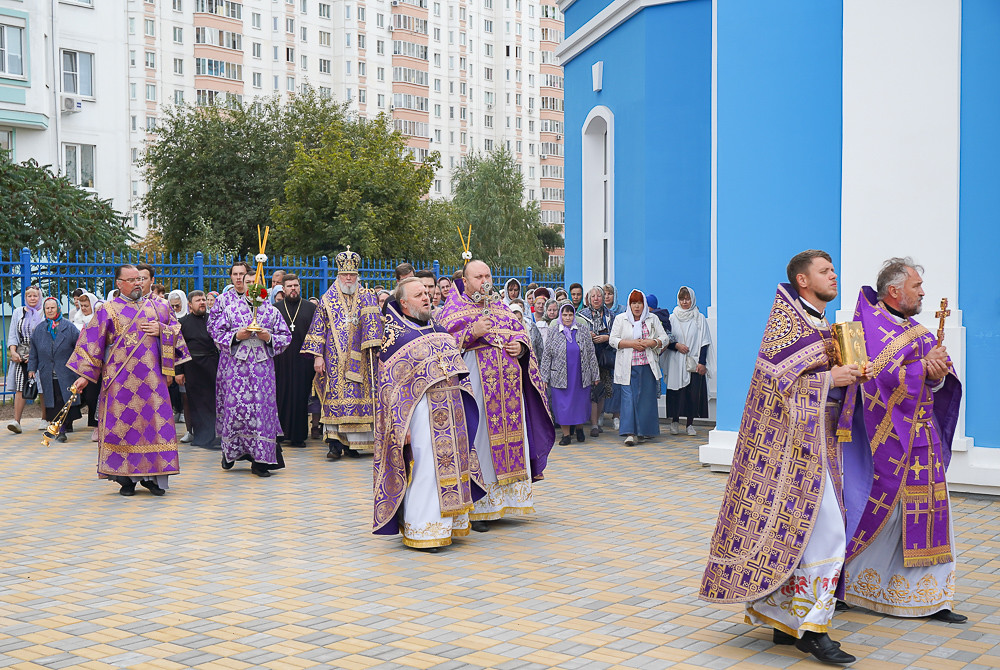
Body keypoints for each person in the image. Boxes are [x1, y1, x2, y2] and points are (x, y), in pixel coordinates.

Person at [700, 250, 861, 665]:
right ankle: (814, 629)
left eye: (833, 269)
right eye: (825, 271)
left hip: (816, 444)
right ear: (803, 281)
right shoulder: (786, 323)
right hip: (789, 451)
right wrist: (831, 378)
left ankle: (785, 621)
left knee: (802, 534)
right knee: (828, 534)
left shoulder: (821, 322)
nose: (834, 275)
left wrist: (848, 377)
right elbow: (779, 386)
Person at [840, 258, 966, 623]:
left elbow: (937, 383)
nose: (923, 292)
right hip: (882, 440)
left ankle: (930, 597)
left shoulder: (919, 331)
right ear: (894, 291)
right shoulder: (865, 329)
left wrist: (937, 375)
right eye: (916, 286)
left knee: (928, 514)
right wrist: (919, 370)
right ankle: (852, 586)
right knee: (877, 513)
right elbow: (871, 377)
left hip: (921, 438)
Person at [437, 260, 555, 532]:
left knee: (508, 442)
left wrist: (521, 348)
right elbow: (441, 347)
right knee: (479, 441)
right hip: (476, 389)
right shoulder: (452, 310)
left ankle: (505, 502)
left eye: (488, 275)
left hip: (509, 393)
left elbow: (521, 334)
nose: (484, 281)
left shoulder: (501, 307)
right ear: (465, 282)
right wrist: (470, 333)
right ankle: (478, 507)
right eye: (478, 276)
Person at [373, 278, 486, 550]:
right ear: (403, 304)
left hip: (452, 411)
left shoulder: (439, 328)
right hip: (421, 413)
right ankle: (423, 529)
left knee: (452, 467)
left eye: (427, 292)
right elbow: (389, 389)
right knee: (425, 469)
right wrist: (401, 427)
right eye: (418, 295)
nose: (426, 297)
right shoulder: (396, 338)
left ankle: (447, 524)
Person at [68, 264, 191, 497]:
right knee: (124, 429)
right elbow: (92, 342)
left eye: (140, 279)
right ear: (119, 283)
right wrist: (84, 376)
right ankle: (126, 480)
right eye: (132, 279)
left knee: (155, 428)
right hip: (120, 383)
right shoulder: (108, 309)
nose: (138, 283)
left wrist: (162, 329)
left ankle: (154, 479)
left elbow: (177, 333)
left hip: (154, 382)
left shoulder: (161, 306)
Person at [208, 261, 292, 477]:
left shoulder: (271, 311)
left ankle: (260, 461)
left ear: (261, 286)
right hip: (237, 369)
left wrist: (269, 337)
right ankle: (230, 453)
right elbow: (217, 334)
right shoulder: (230, 309)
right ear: (242, 285)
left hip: (263, 369)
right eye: (247, 283)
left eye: (256, 283)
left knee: (262, 413)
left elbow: (286, 337)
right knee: (236, 411)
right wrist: (237, 336)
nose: (252, 287)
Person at [302, 248, 383, 459]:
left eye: (352, 275)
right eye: (345, 275)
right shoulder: (327, 299)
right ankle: (334, 445)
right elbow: (318, 328)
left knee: (358, 398)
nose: (349, 278)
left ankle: (353, 444)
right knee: (333, 398)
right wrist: (318, 356)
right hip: (334, 359)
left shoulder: (367, 296)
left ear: (357, 276)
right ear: (338, 276)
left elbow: (375, 325)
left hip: (361, 359)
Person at [610, 290, 667, 446]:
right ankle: (630, 433)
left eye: (639, 303)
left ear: (644, 305)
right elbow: (612, 340)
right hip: (628, 366)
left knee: (645, 400)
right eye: (634, 303)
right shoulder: (621, 319)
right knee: (628, 399)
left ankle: (644, 431)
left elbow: (665, 338)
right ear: (629, 305)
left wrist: (652, 342)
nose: (636, 306)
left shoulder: (652, 318)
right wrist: (631, 344)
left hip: (647, 366)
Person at [540, 302, 600, 445]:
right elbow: (547, 355)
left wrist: (595, 374)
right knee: (562, 405)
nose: (567, 318)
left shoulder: (583, 330)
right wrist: (544, 377)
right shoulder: (554, 331)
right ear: (560, 316)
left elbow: (591, 353)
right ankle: (566, 435)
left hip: (580, 375)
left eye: (570, 314)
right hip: (559, 376)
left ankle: (579, 428)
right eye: (565, 315)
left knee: (579, 403)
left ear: (574, 315)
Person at [28, 297, 82, 442]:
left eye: (53, 308)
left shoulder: (69, 327)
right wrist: (31, 368)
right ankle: (60, 429)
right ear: (44, 310)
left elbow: (79, 348)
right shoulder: (40, 329)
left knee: (63, 399)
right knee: (53, 401)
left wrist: (79, 367)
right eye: (47, 308)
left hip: (65, 371)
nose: (50, 310)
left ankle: (63, 428)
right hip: (47, 371)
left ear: (58, 308)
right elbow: (33, 351)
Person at [274, 273, 317, 448]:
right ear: (283, 289)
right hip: (281, 359)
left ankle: (299, 435)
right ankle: (281, 434)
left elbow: (316, 333)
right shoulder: (275, 308)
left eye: (296, 286)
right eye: (290, 286)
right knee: (281, 395)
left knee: (300, 396)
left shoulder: (309, 308)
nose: (293, 289)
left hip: (303, 359)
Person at [664, 287, 712, 436]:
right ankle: (675, 422)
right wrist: (676, 346)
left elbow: (705, 341)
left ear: (692, 299)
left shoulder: (699, 318)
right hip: (675, 361)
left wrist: (702, 362)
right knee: (676, 392)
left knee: (693, 393)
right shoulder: (672, 318)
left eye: (687, 298)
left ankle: (690, 424)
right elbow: (666, 339)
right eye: (682, 299)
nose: (685, 302)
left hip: (693, 361)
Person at [176, 291, 220, 448]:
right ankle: (201, 438)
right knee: (197, 402)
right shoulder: (182, 322)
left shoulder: (213, 320)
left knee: (214, 401)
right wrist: (179, 371)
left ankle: (214, 436)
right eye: (198, 300)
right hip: (192, 366)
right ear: (190, 304)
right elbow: (178, 348)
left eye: (203, 299)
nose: (202, 302)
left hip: (213, 363)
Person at [6, 286, 45, 433]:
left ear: (39, 297)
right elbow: (12, 334)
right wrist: (13, 352)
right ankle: (16, 421)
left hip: (40, 353)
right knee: (20, 386)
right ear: (25, 298)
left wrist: (36, 354)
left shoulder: (44, 312)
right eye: (29, 296)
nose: (32, 298)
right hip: (21, 354)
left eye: (35, 296)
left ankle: (44, 419)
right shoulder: (18, 312)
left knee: (42, 385)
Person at [578, 286, 616, 437]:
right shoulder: (581, 315)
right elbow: (575, 332)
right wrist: (588, 334)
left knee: (600, 391)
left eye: (599, 296)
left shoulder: (611, 315)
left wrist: (606, 337)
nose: (596, 299)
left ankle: (597, 422)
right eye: (593, 296)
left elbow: (617, 333)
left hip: (604, 357)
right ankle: (592, 424)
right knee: (590, 391)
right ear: (588, 298)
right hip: (587, 357)